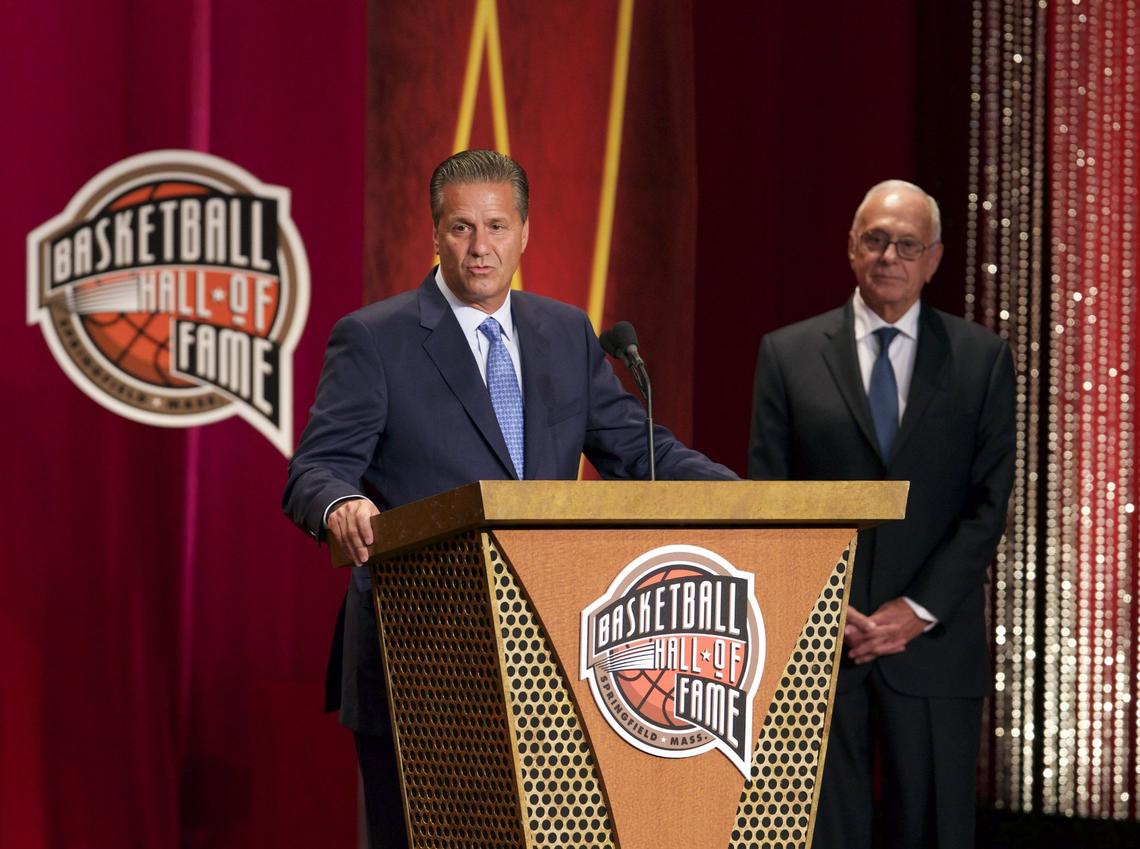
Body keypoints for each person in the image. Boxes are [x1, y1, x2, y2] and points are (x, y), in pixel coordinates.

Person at [283, 149, 736, 849]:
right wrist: (340, 503)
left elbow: (639, 452)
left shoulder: (563, 331)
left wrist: (745, 499)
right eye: (461, 227)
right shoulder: (375, 338)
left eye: (496, 225)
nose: (480, 246)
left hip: (548, 654)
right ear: (434, 234)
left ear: (525, 231)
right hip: (421, 655)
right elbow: (315, 468)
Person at [748, 180, 1015, 849]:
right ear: (851, 248)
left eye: (907, 244)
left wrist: (915, 610)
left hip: (931, 648)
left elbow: (988, 505)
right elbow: (769, 499)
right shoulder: (787, 353)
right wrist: (820, 602)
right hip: (820, 644)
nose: (889, 256)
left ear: (934, 258)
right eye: (876, 239)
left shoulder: (981, 359)